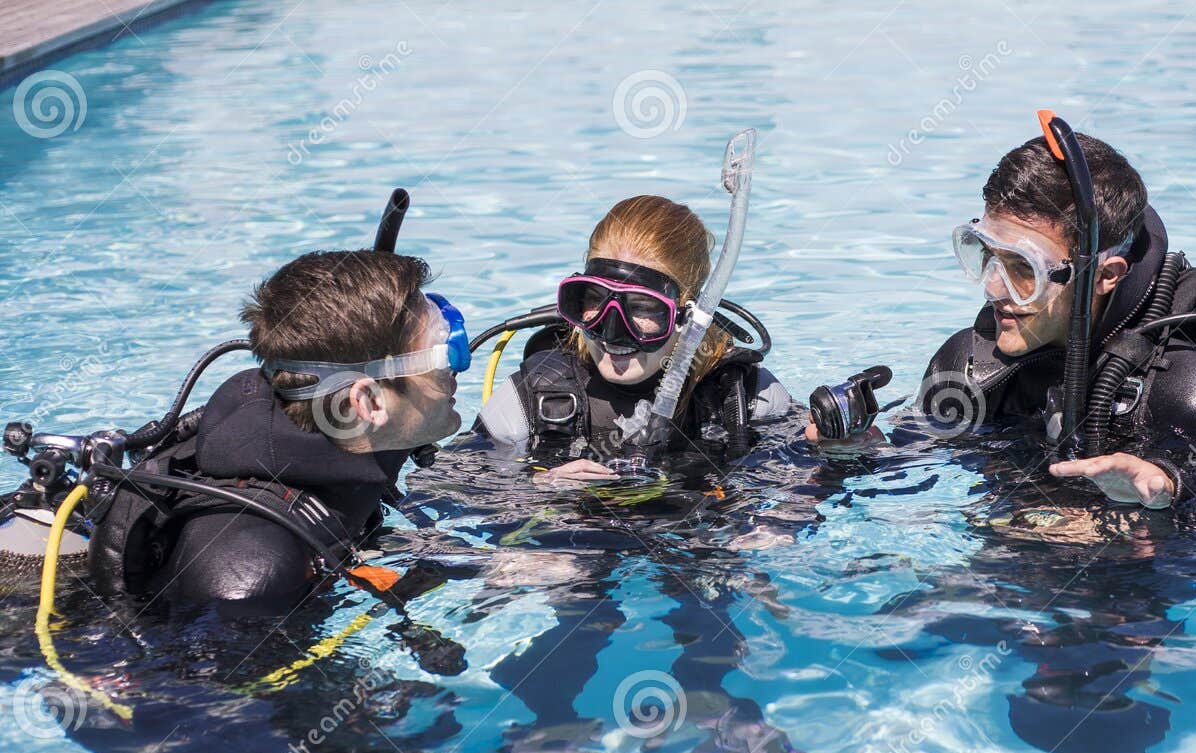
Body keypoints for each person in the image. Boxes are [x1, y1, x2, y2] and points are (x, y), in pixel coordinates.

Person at [810, 119, 1196, 509]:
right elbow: (920, 464)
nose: (993, 288)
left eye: (1023, 268)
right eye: (985, 255)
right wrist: (862, 452)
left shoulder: (1192, 394)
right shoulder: (971, 363)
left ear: (1105, 275)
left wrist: (1168, 492)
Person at [88, 249, 465, 613]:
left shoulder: (343, 453)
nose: (459, 367)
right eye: (444, 354)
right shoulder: (250, 578)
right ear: (367, 403)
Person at [477, 194, 788, 481]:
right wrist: (537, 488)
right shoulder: (529, 400)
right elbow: (460, 496)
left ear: (688, 316)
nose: (612, 332)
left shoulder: (744, 396)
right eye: (595, 299)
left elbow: (797, 493)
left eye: (643, 307)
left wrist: (816, 451)